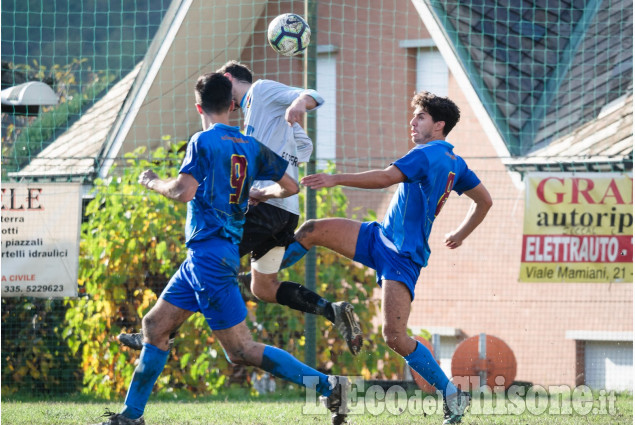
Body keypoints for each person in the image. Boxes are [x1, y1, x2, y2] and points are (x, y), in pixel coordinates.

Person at [93, 73, 349, 425]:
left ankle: (329, 386)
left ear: (199, 106)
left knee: (241, 350)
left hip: (210, 256)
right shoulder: (250, 145)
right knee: (154, 325)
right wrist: (261, 193)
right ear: (232, 105)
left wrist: (152, 181)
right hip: (207, 255)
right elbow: (290, 186)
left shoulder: (203, 141)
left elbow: (182, 191)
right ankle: (131, 416)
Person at [118, 60, 362, 356]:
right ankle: (333, 311)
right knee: (263, 288)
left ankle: (160, 331)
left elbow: (313, 94)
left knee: (208, 263)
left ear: (227, 77)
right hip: (282, 208)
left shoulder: (259, 91)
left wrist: (299, 102)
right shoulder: (253, 119)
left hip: (269, 208)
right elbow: (303, 149)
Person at [278, 91, 493, 424]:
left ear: (439, 125)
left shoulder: (427, 154)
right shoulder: (455, 161)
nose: (412, 121)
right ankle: (262, 273)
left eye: (420, 117)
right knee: (312, 230)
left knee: (394, 337)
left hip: (402, 256)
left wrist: (335, 178)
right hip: (380, 237)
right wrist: (461, 234)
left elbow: (385, 177)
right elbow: (485, 201)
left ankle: (452, 395)